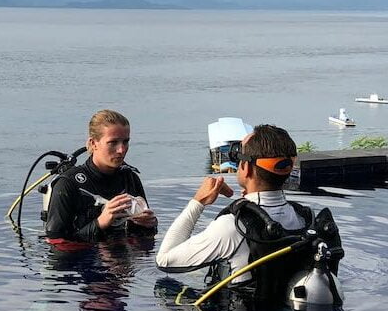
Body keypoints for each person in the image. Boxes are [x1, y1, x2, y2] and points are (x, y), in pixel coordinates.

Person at [156, 124, 319, 285]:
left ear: (246, 168)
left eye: (238, 156)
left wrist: (197, 202)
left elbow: (164, 260)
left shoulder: (233, 227)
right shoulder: (305, 219)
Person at [46, 109, 157, 244]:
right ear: (93, 143)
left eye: (125, 142)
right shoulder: (69, 184)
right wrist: (100, 223)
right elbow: (57, 242)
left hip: (123, 259)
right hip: (80, 261)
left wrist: (149, 225)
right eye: (113, 142)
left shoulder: (130, 178)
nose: (121, 150)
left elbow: (145, 237)